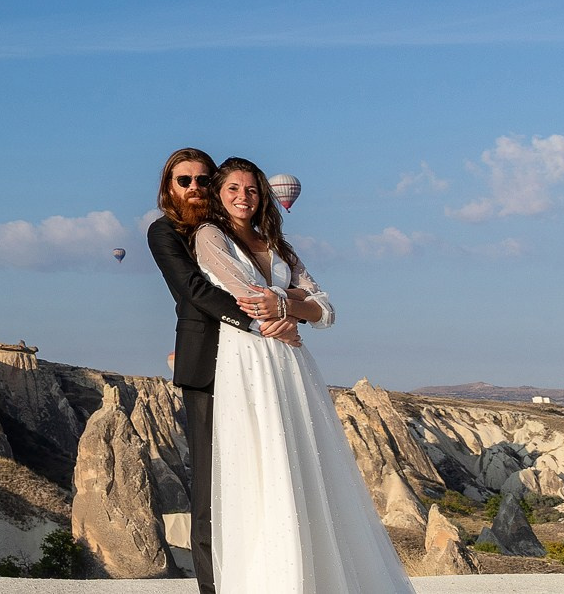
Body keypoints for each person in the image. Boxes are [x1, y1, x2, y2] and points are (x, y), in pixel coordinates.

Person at [194, 157, 413, 594]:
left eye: (252, 189)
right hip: (250, 359)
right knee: (263, 464)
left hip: (292, 360)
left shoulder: (279, 244)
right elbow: (247, 294)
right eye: (233, 188)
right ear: (218, 193)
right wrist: (294, 301)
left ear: (264, 196)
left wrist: (288, 306)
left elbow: (328, 311)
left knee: (307, 464)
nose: (243, 197)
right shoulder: (209, 236)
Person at [147, 148, 293, 594]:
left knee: (265, 473)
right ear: (169, 187)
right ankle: (213, 588)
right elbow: (192, 291)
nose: (195, 188)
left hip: (259, 365)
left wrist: (285, 311)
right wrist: (259, 321)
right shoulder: (164, 232)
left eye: (203, 180)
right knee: (212, 488)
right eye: (184, 180)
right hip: (209, 365)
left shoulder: (235, 232)